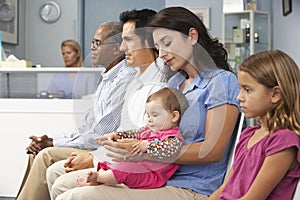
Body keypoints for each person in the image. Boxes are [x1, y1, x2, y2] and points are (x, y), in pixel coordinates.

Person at [55, 6, 240, 200]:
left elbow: (211, 151)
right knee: (67, 189)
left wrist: (147, 151)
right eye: (158, 47)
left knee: (74, 197)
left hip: (191, 187)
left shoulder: (221, 82)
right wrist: (123, 138)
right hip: (156, 176)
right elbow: (152, 130)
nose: (160, 54)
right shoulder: (174, 83)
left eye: (167, 43)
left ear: (192, 36)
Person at [47, 8, 173, 200]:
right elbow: (122, 134)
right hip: (118, 160)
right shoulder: (138, 80)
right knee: (56, 174)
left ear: (150, 42)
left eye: (128, 40)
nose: (122, 48)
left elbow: (139, 146)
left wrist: (93, 159)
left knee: (62, 184)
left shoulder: (160, 87)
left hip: (137, 169)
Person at [16, 21, 137, 200]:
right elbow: (86, 126)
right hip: (94, 144)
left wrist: (52, 144)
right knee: (37, 152)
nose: (92, 47)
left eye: (97, 43)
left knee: (46, 155)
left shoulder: (124, 79)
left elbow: (99, 135)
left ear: (115, 48)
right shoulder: (106, 79)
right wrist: (50, 139)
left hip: (102, 148)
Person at [209, 49, 300, 200]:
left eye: (247, 90)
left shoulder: (283, 141)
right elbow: (224, 188)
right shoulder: (248, 134)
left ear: (275, 94)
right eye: (240, 89)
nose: (239, 97)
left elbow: (252, 198)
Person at [77, 87, 188, 188]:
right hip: (139, 167)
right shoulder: (149, 130)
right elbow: (134, 133)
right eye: (148, 115)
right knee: (111, 163)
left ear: (174, 116)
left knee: (126, 169)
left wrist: (148, 145)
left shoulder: (173, 136)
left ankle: (98, 178)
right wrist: (116, 135)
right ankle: (97, 180)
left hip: (151, 175)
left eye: (155, 115)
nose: (149, 119)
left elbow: (171, 149)